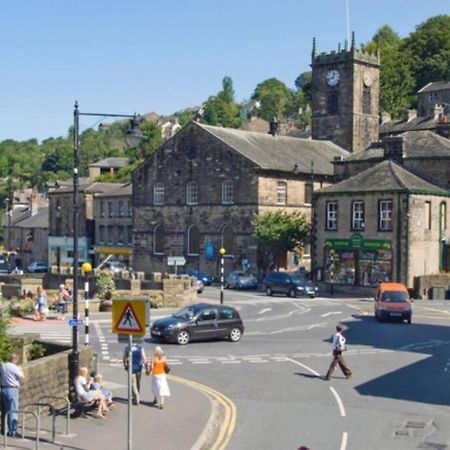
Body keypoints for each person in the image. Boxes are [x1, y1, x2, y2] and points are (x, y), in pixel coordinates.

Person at [0, 353, 25, 437]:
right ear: (15, 359)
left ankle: (5, 429)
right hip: (12, 389)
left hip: (3, 389)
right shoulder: (14, 367)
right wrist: (20, 370)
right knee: (13, 410)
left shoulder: (3, 366)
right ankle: (12, 431)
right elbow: (22, 377)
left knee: (6, 411)